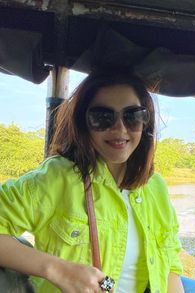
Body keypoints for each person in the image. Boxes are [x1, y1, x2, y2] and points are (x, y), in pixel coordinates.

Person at [0, 69, 184, 293]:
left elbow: (171, 265)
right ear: (83, 123)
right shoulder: (58, 178)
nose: (120, 128)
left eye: (132, 116)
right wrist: (57, 270)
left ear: (145, 122)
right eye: (102, 117)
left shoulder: (156, 188)